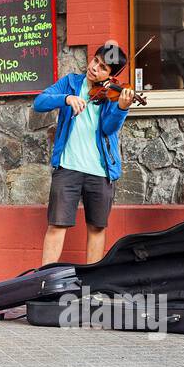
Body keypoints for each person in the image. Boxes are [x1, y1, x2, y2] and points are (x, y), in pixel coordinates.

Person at [33, 41, 136, 265]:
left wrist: (122, 108)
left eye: (102, 68)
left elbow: (109, 128)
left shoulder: (112, 94)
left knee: (97, 228)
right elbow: (39, 103)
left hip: (100, 170)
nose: (94, 68)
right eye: (95, 61)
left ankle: (92, 283)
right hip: (67, 167)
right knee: (57, 225)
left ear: (111, 74)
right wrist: (66, 99)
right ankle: (45, 280)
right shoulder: (70, 82)